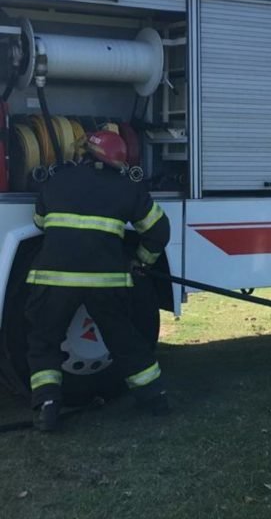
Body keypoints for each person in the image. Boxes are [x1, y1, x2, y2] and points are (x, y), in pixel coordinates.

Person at [25, 130, 170, 431]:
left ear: (85, 154)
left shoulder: (57, 180)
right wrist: (142, 261)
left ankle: (48, 407)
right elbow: (159, 230)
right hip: (107, 281)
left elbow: (39, 221)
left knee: (44, 341)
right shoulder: (127, 189)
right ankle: (154, 398)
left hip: (54, 281)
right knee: (124, 339)